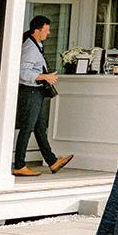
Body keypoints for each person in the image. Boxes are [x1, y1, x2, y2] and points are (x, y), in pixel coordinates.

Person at [13, 15, 72, 178]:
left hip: (35, 91)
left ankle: (52, 161)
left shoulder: (36, 44)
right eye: (46, 30)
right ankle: (19, 165)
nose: (49, 33)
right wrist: (44, 77)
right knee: (27, 127)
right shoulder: (30, 48)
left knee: (39, 128)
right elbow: (22, 72)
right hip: (30, 91)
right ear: (36, 31)